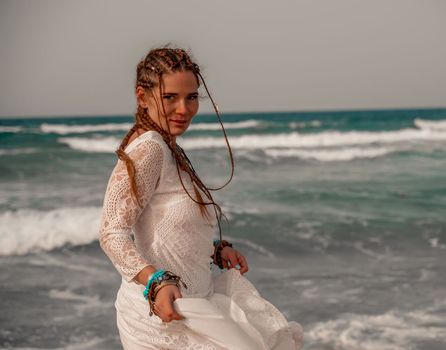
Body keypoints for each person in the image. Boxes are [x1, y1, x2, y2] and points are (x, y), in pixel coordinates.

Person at [98, 46, 303, 349]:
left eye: (191, 97)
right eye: (170, 97)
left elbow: (167, 228)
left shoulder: (170, 149)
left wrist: (213, 251)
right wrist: (155, 281)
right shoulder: (150, 149)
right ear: (142, 96)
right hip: (162, 318)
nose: (183, 109)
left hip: (195, 302)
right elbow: (111, 232)